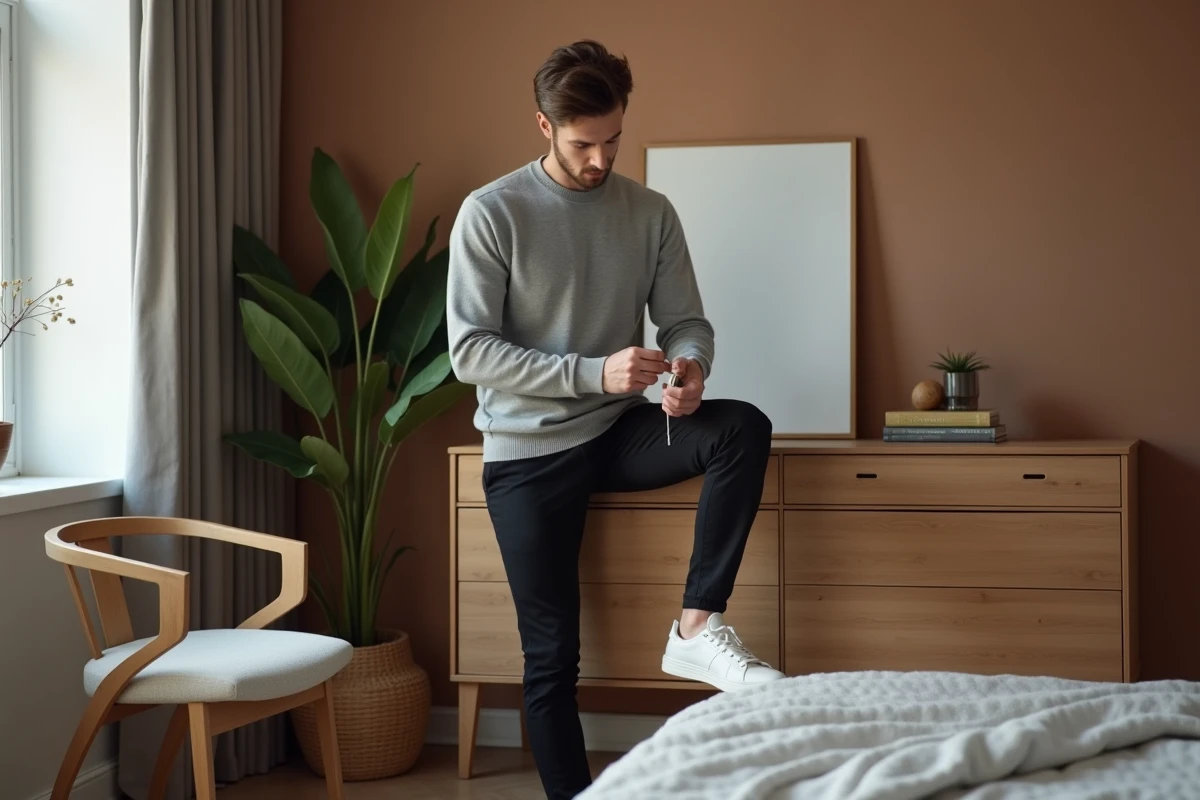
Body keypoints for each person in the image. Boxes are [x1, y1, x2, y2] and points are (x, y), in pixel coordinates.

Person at [446, 39, 784, 799]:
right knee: (551, 656)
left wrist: (690, 369)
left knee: (742, 426)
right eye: (582, 144)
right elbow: (469, 352)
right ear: (544, 126)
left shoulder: (649, 212)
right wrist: (591, 371)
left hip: (617, 430)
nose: (600, 159)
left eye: (612, 139)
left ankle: (696, 628)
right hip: (527, 451)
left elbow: (687, 322)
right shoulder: (492, 212)